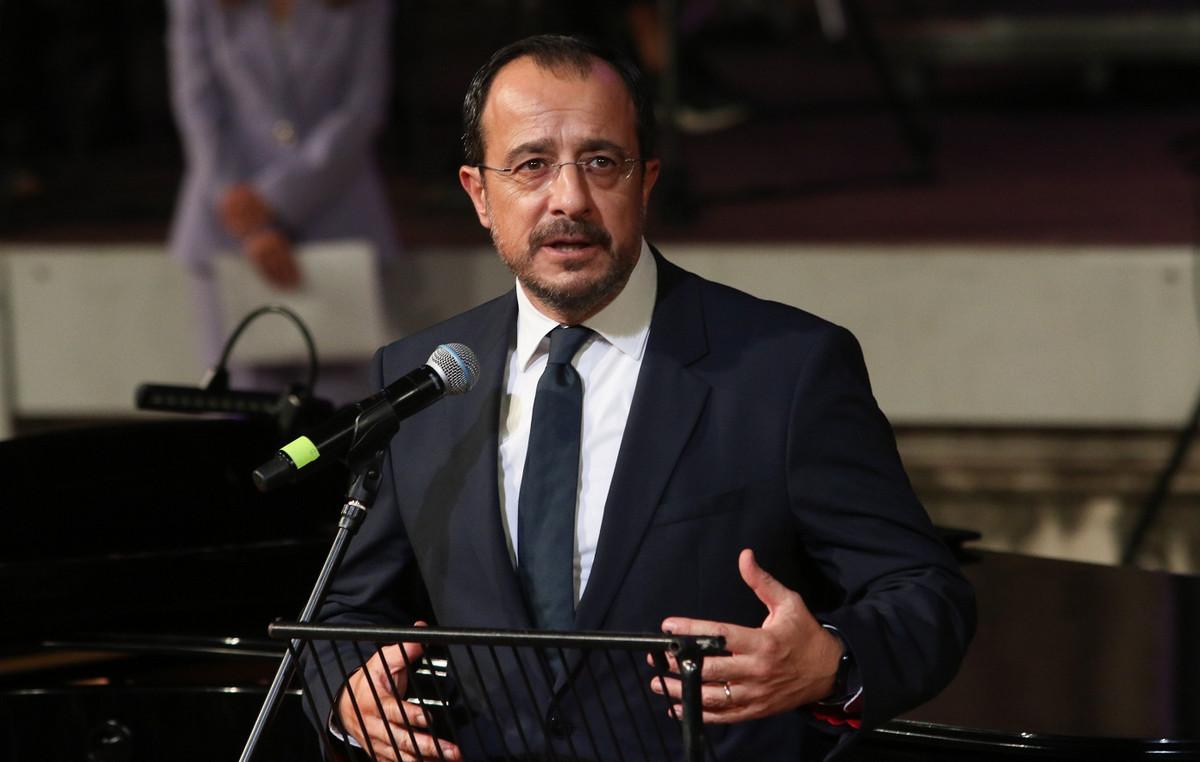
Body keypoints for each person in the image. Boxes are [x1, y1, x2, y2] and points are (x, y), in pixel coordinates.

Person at [304, 34, 974, 761]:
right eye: (531, 165)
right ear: (479, 194)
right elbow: (345, 610)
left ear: (646, 180)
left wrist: (833, 660)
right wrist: (346, 688)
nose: (570, 199)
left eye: (601, 162)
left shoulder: (786, 370)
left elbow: (924, 592)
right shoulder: (423, 379)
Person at [165, 0, 402, 405]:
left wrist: (277, 198)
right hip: (228, 232)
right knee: (239, 412)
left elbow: (362, 108)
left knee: (335, 419)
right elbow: (198, 106)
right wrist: (250, 221)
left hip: (337, 222)